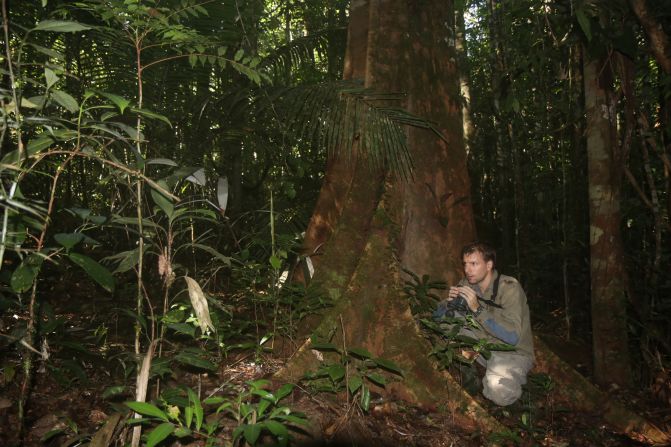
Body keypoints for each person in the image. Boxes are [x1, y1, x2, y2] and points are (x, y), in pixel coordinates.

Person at [435, 242, 534, 406]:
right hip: (482, 343)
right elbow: (437, 317)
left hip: (511, 352)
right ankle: (475, 369)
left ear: (489, 265)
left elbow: (512, 337)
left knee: (499, 394)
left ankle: (517, 389)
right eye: (465, 264)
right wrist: (448, 303)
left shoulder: (509, 288)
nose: (468, 270)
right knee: (445, 326)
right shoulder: (467, 284)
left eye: (474, 264)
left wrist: (477, 309)